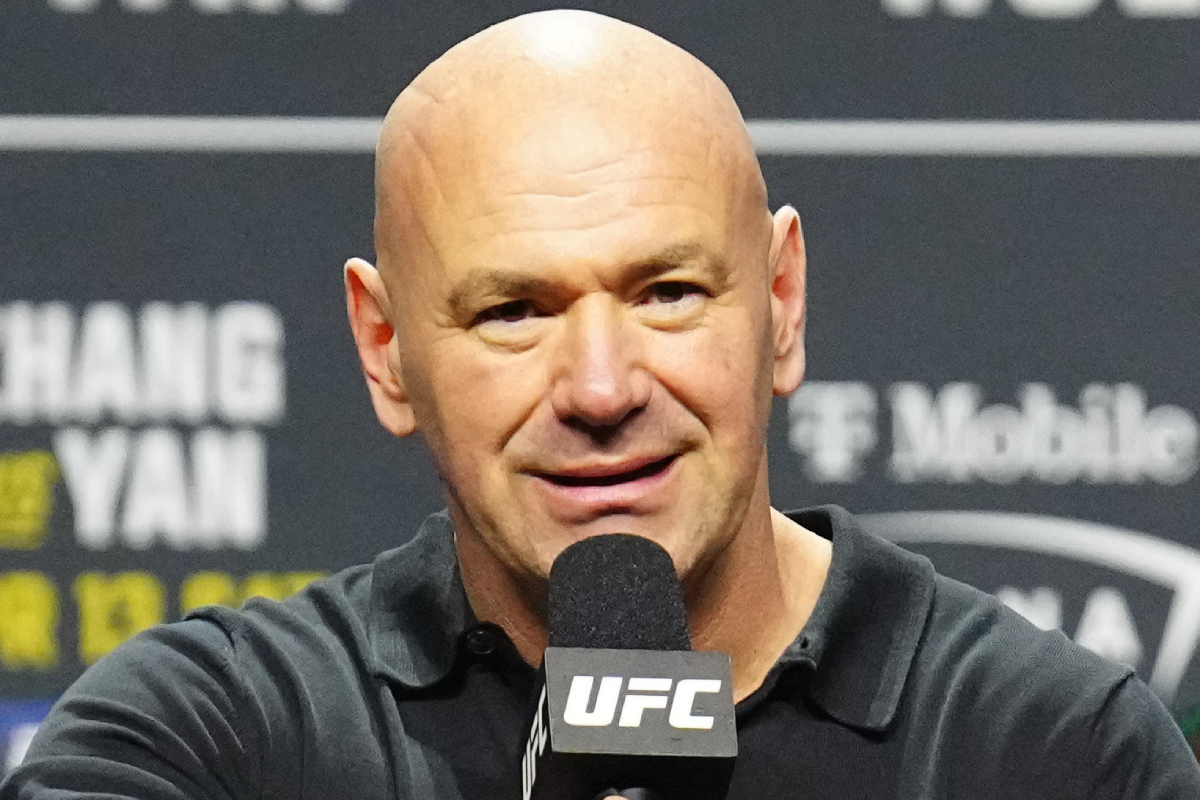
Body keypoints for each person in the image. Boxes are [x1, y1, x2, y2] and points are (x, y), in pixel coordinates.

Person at [3, 9, 1199, 800]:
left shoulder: (1056, 751)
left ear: (781, 302)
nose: (600, 387)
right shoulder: (202, 741)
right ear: (385, 348)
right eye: (513, 310)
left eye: (667, 292)